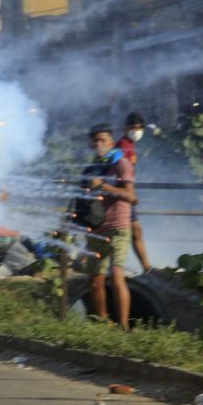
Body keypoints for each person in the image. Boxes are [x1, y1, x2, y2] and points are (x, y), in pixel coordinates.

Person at [84, 123, 135, 330]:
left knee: (116, 274)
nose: (99, 144)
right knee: (95, 280)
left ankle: (123, 326)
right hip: (96, 229)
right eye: (95, 141)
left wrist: (103, 186)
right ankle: (104, 324)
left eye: (102, 140)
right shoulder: (91, 169)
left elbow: (131, 196)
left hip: (118, 226)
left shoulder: (121, 164)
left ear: (111, 142)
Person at [114, 111, 152, 273]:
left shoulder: (129, 145)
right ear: (125, 128)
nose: (136, 131)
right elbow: (121, 172)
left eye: (139, 128)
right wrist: (130, 193)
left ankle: (147, 267)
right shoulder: (123, 146)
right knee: (133, 231)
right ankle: (147, 268)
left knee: (135, 231)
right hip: (122, 195)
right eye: (133, 128)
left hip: (125, 194)